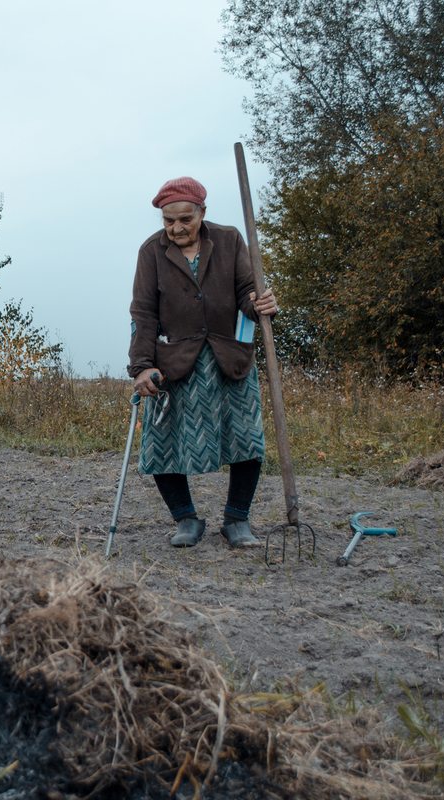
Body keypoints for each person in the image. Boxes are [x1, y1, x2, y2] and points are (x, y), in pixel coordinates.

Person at [127, 176, 278, 548]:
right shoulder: (151, 253)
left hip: (230, 358)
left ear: (202, 213)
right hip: (177, 364)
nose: (176, 228)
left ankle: (237, 520)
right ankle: (185, 519)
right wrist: (142, 366)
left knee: (246, 438)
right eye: (168, 221)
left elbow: (246, 292)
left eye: (185, 220)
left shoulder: (228, 240)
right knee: (161, 445)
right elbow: (143, 314)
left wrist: (259, 302)